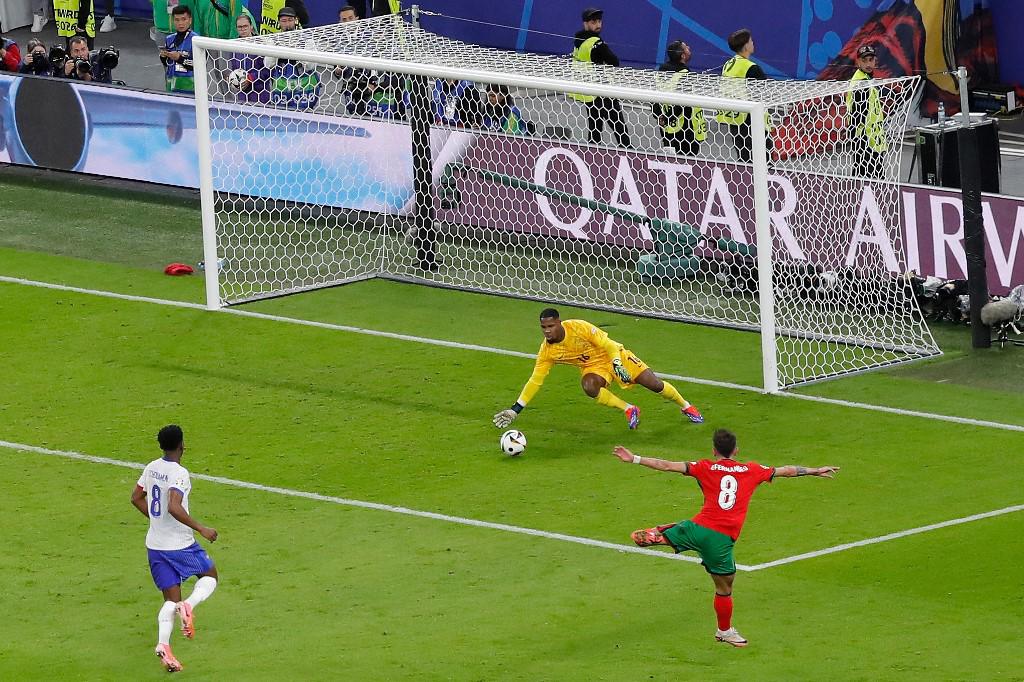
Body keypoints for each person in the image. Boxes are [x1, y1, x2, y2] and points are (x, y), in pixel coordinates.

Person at [613, 429, 838, 647]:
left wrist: (634, 458)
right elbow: (787, 470)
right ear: (736, 450)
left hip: (696, 527)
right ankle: (724, 631)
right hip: (720, 538)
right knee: (724, 586)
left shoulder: (704, 467)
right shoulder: (752, 470)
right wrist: (814, 470)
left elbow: (665, 465)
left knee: (687, 533)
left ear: (714, 450)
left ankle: (661, 535)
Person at [493, 308, 703, 431]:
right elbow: (535, 381)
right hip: (595, 368)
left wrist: (618, 364)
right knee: (588, 386)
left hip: (616, 357)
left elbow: (609, 345)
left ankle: (686, 406)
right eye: (543, 328)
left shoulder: (579, 327)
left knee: (654, 385)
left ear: (559, 323)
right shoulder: (547, 352)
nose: (547, 331)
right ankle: (629, 408)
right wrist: (515, 409)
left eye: (550, 326)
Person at [130, 425, 219, 673]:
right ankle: (189, 605)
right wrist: (202, 529)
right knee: (210, 576)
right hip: (179, 545)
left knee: (170, 599)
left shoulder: (151, 467)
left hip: (155, 546)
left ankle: (164, 647)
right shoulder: (180, 473)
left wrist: (155, 520)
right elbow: (174, 507)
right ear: (182, 445)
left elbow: (136, 497)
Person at [571, 7, 631, 148]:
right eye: (593, 22)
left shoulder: (578, 40)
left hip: (588, 92)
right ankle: (629, 156)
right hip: (602, 91)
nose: (598, 25)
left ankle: (592, 157)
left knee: (594, 128)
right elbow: (614, 61)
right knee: (619, 128)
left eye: (599, 21)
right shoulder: (595, 43)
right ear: (585, 24)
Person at [715, 29, 769, 163]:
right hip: (750, 119)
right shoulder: (752, 68)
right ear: (746, 46)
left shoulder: (729, 63)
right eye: (751, 41)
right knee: (761, 158)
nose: (753, 43)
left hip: (735, 117)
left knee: (743, 155)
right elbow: (763, 93)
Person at [654, 40, 706, 156]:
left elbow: (654, 97)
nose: (689, 47)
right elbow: (682, 103)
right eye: (686, 47)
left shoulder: (661, 69)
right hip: (684, 128)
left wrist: (659, 116)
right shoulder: (685, 73)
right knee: (688, 159)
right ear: (683, 56)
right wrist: (669, 118)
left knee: (671, 157)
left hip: (665, 127)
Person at [846, 44, 888, 179]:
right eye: (864, 60)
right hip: (866, 141)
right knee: (869, 180)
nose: (868, 64)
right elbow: (857, 115)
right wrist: (859, 140)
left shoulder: (867, 79)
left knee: (863, 177)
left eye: (871, 59)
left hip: (872, 139)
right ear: (858, 62)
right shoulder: (861, 83)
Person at [228, 11, 271, 103]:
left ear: (251, 27)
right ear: (236, 29)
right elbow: (234, 69)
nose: (243, 29)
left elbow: (268, 71)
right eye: (240, 27)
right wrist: (232, 78)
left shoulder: (262, 44)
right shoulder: (233, 46)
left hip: (260, 93)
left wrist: (250, 78)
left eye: (245, 26)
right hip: (242, 93)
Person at [161, 5, 197, 94]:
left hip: (190, 87)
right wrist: (163, 57)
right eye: (177, 20)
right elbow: (167, 64)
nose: (180, 23)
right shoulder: (169, 39)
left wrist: (179, 58)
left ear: (190, 20)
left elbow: (198, 66)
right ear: (173, 21)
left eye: (184, 19)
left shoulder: (196, 40)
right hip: (171, 86)